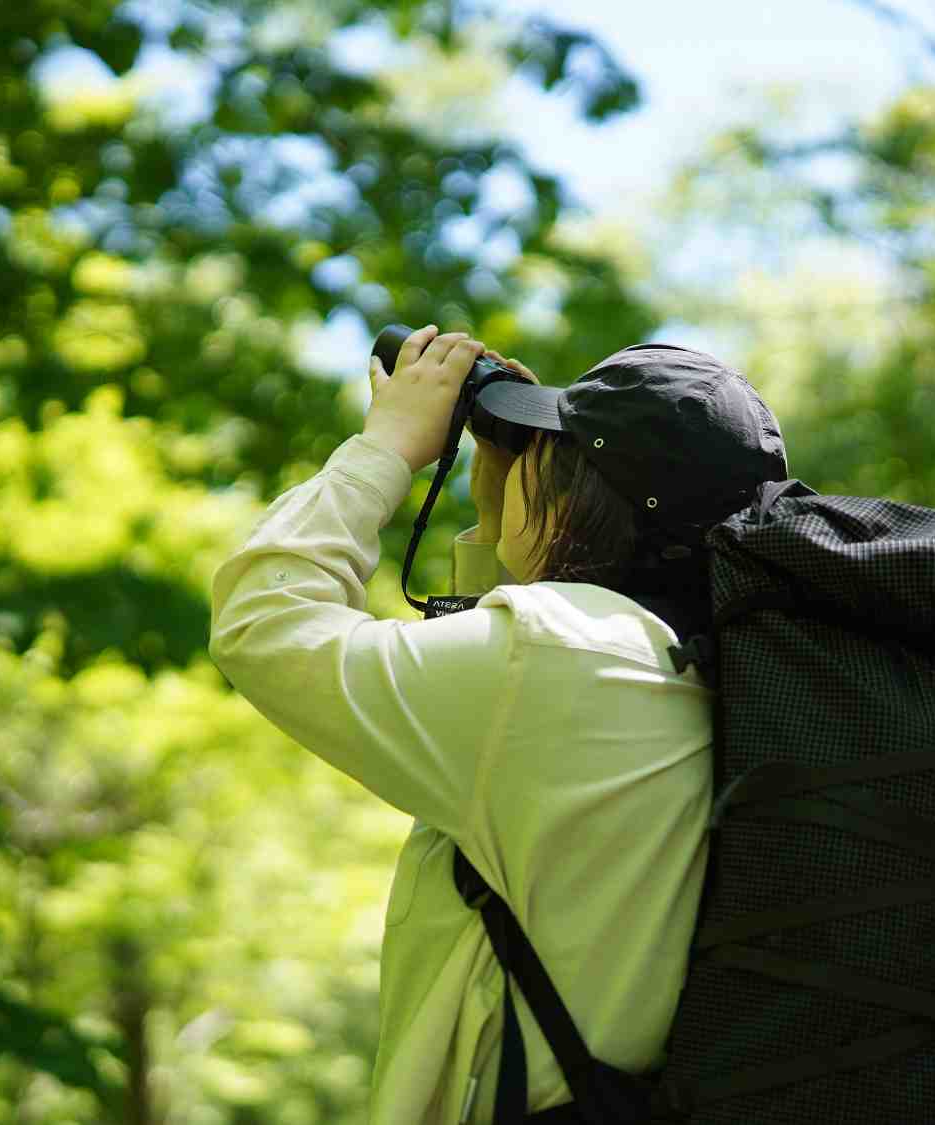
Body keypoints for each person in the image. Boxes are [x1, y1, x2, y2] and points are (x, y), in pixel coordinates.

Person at [207, 325, 788, 1124]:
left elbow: (262, 622)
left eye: (555, 451)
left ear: (589, 493)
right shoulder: (696, 667)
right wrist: (497, 513)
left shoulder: (557, 655)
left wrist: (384, 447)